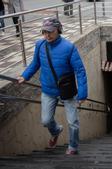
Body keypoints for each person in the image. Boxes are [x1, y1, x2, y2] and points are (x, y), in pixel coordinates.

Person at [17, 17, 88, 155]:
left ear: (58, 30)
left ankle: (73, 147)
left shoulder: (69, 47)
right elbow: (35, 64)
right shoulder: (40, 45)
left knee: (73, 122)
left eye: (50, 32)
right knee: (46, 120)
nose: (47, 35)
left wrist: (83, 93)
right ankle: (56, 131)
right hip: (48, 90)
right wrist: (25, 76)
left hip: (67, 91)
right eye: (44, 32)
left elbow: (80, 71)